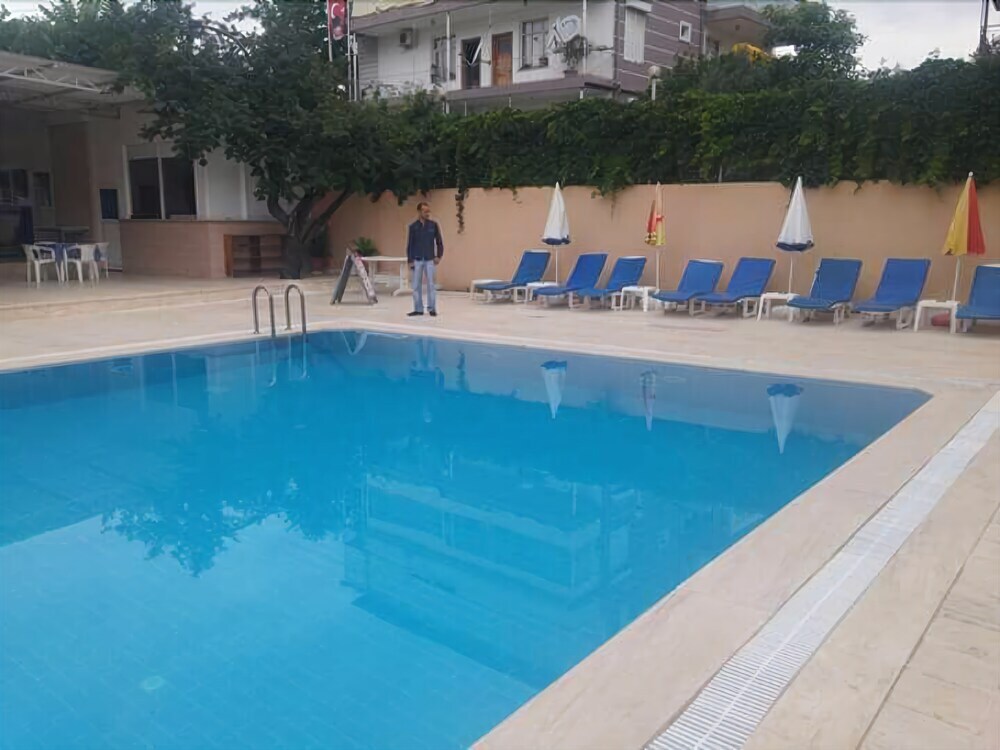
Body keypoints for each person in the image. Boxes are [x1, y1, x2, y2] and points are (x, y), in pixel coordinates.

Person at [406, 201, 444, 317]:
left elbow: (439, 242)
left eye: (428, 211)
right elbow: (410, 244)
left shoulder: (433, 225)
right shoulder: (413, 227)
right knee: (416, 285)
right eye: (425, 211)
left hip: (429, 259)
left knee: (431, 285)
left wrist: (439, 256)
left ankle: (432, 308)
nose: (427, 213)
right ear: (419, 212)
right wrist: (410, 260)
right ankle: (418, 309)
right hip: (417, 259)